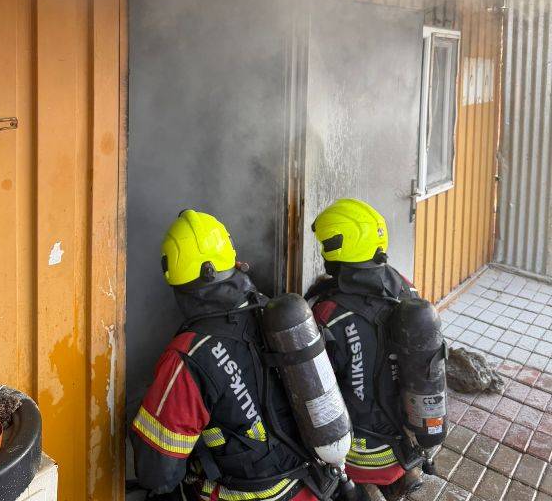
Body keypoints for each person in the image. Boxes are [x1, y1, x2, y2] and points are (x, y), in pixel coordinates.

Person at [131, 209, 337, 501]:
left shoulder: (188, 355)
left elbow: (158, 472)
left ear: (172, 273)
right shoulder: (273, 314)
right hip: (309, 486)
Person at [307, 199, 425, 500]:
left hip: (361, 457)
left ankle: (364, 489)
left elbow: (315, 392)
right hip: (408, 444)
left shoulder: (328, 313)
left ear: (337, 250)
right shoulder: (404, 286)